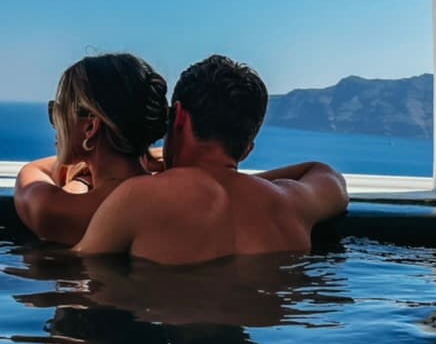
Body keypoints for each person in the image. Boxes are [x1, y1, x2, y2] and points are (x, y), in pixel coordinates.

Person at [74, 54, 348, 265]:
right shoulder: (292, 204)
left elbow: (79, 275)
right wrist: (237, 182)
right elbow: (327, 175)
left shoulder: (138, 197)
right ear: (248, 148)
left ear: (178, 116)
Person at [14, 53, 168, 245]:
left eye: (58, 111)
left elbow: (32, 171)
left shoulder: (55, 211)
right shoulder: (168, 197)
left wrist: (81, 178)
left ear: (90, 127)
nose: (55, 124)